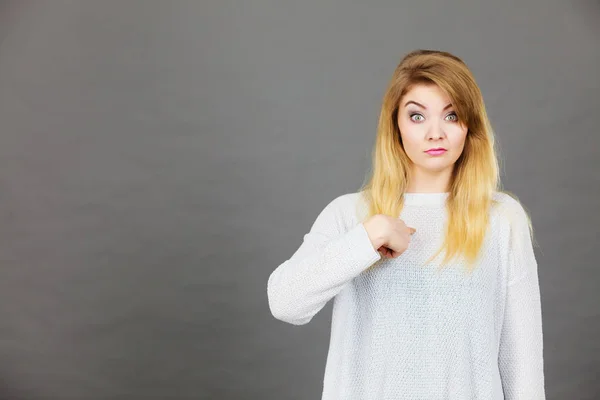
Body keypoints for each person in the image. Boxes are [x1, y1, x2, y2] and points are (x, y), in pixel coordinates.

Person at [266, 49, 545, 399]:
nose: (434, 133)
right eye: (417, 116)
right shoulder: (351, 215)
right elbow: (285, 302)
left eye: (451, 115)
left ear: (469, 125)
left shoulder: (502, 219)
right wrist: (366, 239)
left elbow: (523, 363)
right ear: (395, 125)